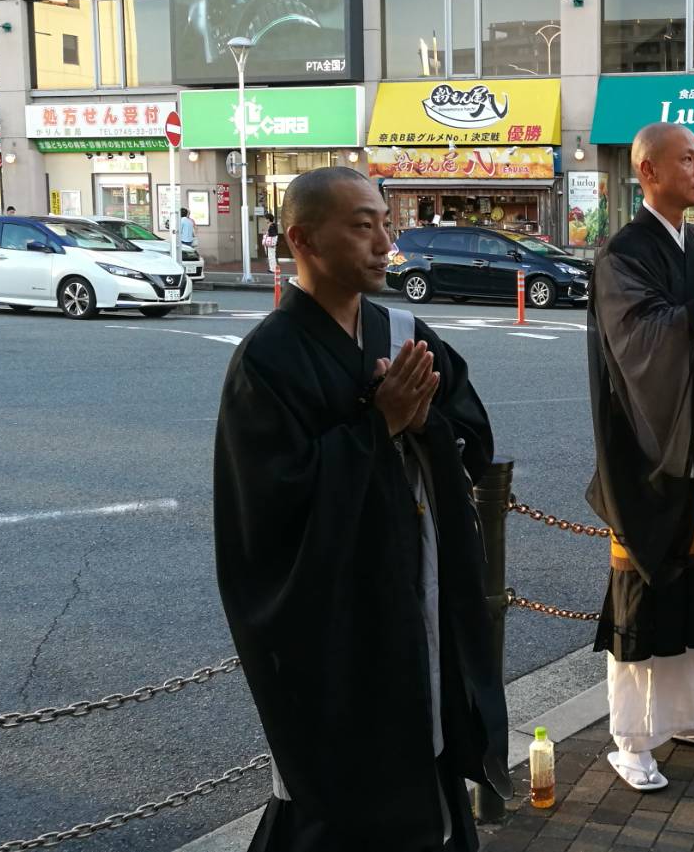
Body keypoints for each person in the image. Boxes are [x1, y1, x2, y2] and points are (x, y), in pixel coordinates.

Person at [213, 166, 508, 850]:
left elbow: (472, 439)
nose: (383, 243)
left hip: (419, 596)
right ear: (303, 240)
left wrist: (422, 420)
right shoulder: (268, 361)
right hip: (339, 627)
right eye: (361, 225)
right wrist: (379, 426)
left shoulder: (403, 332)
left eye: (384, 223)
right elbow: (268, 515)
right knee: (344, 803)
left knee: (431, 763)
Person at [585, 121, 694, 792]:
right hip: (648, 453)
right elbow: (643, 342)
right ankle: (633, 739)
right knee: (646, 595)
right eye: (687, 159)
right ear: (647, 171)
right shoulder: (621, 254)